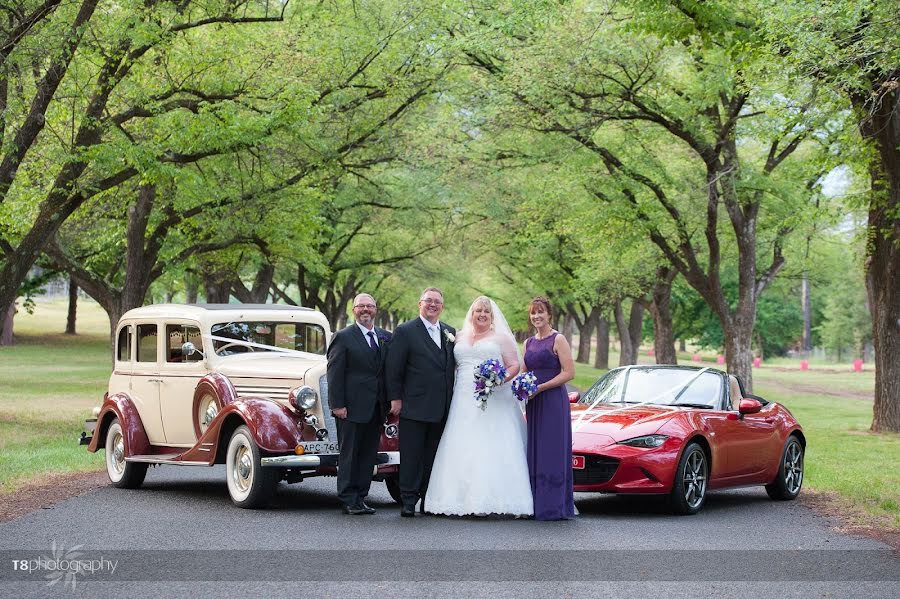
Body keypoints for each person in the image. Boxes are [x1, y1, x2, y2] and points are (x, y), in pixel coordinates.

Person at [425, 296, 534, 517]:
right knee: (461, 442)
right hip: (462, 398)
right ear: (471, 314)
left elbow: (514, 365)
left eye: (486, 311)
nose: (482, 314)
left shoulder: (501, 338)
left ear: (492, 317)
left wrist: (498, 380)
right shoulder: (459, 337)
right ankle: (456, 498)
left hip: (493, 397)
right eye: (478, 311)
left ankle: (497, 499)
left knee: (490, 443)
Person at [385, 287, 456, 517]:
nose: (433, 305)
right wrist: (395, 398)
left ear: (442, 307)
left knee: (432, 456)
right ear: (420, 304)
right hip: (413, 406)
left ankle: (428, 498)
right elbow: (393, 368)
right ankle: (408, 500)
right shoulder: (405, 331)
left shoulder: (449, 332)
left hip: (441, 407)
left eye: (437, 302)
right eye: (428, 301)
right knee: (412, 455)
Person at [327, 293, 391, 515]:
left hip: (376, 407)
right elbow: (334, 373)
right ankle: (347, 498)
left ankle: (361, 497)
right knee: (350, 454)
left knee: (367, 455)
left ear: (376, 309)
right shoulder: (343, 337)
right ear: (353, 310)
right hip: (350, 408)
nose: (366, 310)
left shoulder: (385, 337)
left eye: (370, 306)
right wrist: (337, 405)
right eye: (361, 306)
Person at [523, 297, 576, 520]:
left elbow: (569, 373)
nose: (537, 316)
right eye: (534, 313)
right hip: (534, 402)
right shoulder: (528, 343)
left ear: (549, 315)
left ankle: (553, 506)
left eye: (541, 312)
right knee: (535, 450)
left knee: (551, 450)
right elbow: (524, 371)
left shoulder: (558, 339)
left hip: (553, 400)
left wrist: (541, 387)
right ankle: (536, 503)